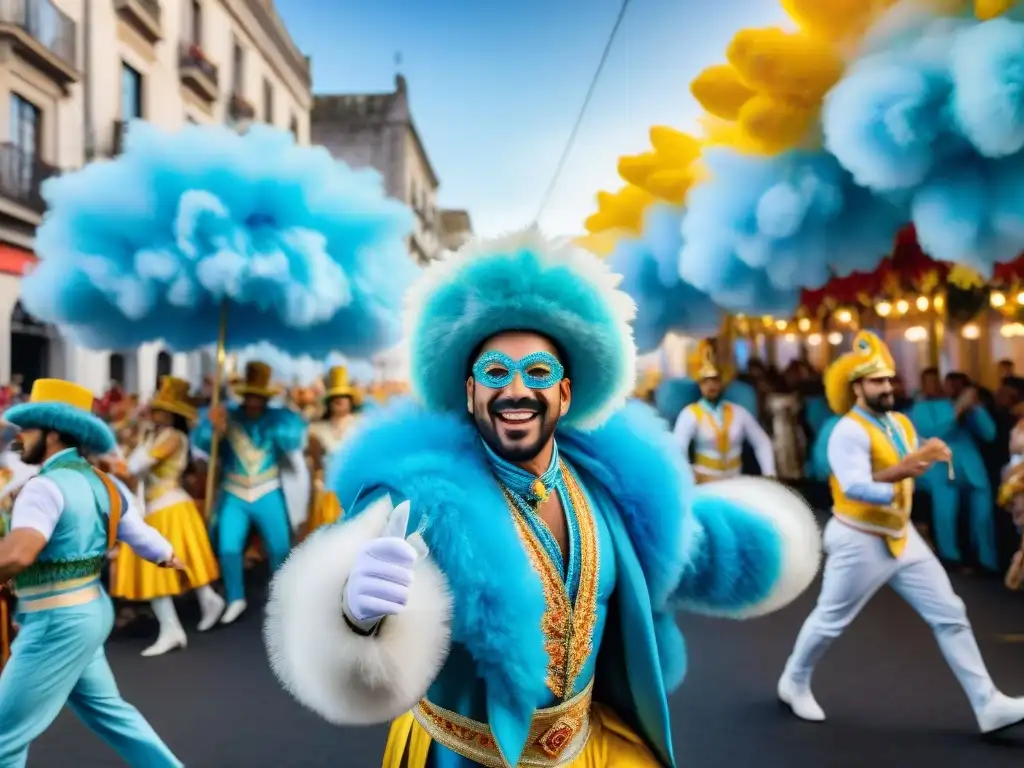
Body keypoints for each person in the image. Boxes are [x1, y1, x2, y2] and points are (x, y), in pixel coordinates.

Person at [264, 230, 822, 767]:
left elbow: (683, 554)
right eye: (495, 373)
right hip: (460, 758)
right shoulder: (415, 498)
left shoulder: (611, 488)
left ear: (565, 391)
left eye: (537, 372)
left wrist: (759, 547)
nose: (516, 391)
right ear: (469, 390)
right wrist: (353, 618)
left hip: (588, 750)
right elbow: (342, 604)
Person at [777, 331, 1024, 734]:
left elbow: (913, 457)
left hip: (901, 534)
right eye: (876, 380)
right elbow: (855, 485)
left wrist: (930, 452)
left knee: (950, 614)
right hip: (859, 536)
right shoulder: (847, 431)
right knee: (830, 620)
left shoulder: (901, 423)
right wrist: (905, 473)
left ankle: (988, 704)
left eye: (889, 379)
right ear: (856, 386)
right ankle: (794, 679)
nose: (886, 387)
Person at [0, 378, 184, 766]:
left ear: (52, 434)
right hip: (91, 611)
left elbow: (19, 554)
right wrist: (168, 555)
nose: (18, 438)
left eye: (27, 429)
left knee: (3, 735)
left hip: (55, 621)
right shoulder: (107, 482)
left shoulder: (43, 487)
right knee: (113, 715)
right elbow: (143, 536)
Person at [108, 376, 225, 656]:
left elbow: (133, 467)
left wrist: (116, 458)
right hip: (158, 509)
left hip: (169, 507)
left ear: (172, 413)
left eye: (159, 408)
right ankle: (204, 602)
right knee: (178, 565)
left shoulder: (173, 437)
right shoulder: (153, 435)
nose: (153, 411)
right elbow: (126, 456)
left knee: (156, 570)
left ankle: (174, 626)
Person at [192, 361, 308, 625]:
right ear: (243, 396)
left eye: (259, 398)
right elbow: (202, 447)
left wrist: (285, 416)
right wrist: (213, 428)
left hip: (268, 489)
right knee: (228, 547)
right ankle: (235, 597)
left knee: (279, 547)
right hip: (234, 492)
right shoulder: (227, 415)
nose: (254, 402)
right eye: (250, 397)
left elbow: (293, 440)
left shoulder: (278, 419)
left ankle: (281, 598)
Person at [672, 340, 776, 483]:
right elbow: (678, 449)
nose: (711, 386)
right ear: (700, 384)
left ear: (722, 382)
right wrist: (689, 476)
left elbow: (762, 442)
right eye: (706, 381)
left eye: (715, 380)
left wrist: (769, 473)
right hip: (704, 482)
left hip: (735, 481)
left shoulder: (738, 412)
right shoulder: (690, 414)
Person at [305, 366, 363, 535]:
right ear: (328, 401)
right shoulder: (317, 429)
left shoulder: (362, 425)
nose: (340, 401)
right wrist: (318, 486)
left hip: (355, 492)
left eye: (344, 396)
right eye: (335, 397)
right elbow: (315, 465)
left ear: (351, 400)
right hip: (328, 494)